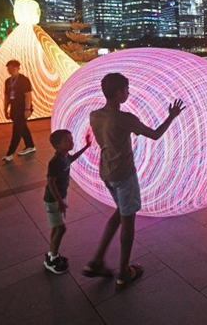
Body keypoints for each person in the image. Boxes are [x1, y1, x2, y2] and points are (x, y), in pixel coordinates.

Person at [83, 73, 185, 291]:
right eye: (126, 90)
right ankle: (123, 272)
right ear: (119, 93)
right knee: (128, 221)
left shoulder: (94, 115)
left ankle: (97, 261)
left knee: (120, 212)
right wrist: (172, 116)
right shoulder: (124, 118)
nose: (128, 93)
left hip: (106, 172)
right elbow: (156, 134)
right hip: (124, 175)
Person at [43, 129, 91, 274]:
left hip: (59, 197)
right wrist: (59, 201)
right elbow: (50, 182)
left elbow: (72, 158)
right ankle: (52, 260)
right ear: (58, 145)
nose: (72, 142)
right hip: (53, 199)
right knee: (61, 228)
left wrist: (87, 146)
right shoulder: (56, 161)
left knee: (56, 228)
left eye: (72, 139)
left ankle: (52, 253)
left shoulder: (64, 156)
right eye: (68, 141)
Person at [2, 59, 36, 162]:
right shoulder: (8, 81)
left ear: (17, 68)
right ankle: (30, 145)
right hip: (14, 109)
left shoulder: (24, 80)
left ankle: (10, 153)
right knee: (23, 128)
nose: (10, 70)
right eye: (8, 68)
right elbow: (7, 96)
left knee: (17, 130)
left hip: (23, 109)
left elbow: (28, 96)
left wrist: (27, 109)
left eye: (12, 67)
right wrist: (5, 108)